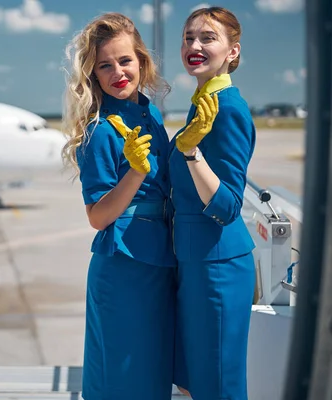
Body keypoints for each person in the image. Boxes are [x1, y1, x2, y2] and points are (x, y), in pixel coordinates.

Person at [61, 12, 176, 400]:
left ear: (141, 61)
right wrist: (135, 173)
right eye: (104, 66)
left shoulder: (151, 113)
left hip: (159, 258)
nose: (118, 73)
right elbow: (97, 217)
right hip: (124, 266)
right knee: (122, 377)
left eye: (125, 61)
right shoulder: (99, 130)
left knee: (152, 373)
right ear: (93, 75)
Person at [169, 6, 257, 400]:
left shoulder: (228, 109)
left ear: (232, 52)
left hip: (217, 266)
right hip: (197, 261)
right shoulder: (202, 101)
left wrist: (190, 152)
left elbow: (227, 206)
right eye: (189, 37)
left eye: (208, 38)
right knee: (199, 380)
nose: (194, 45)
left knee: (218, 384)